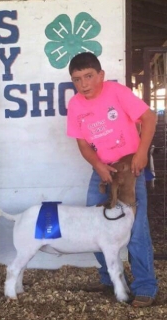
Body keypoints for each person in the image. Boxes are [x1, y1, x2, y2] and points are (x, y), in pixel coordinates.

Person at [66, 52, 158, 307]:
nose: (84, 84)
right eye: (77, 79)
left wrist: (141, 154)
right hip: (103, 170)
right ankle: (110, 278)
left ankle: (145, 286)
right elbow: (83, 144)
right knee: (94, 225)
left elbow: (150, 117)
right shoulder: (75, 105)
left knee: (136, 230)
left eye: (89, 76)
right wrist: (99, 166)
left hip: (131, 169)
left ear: (101, 75)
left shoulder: (116, 91)